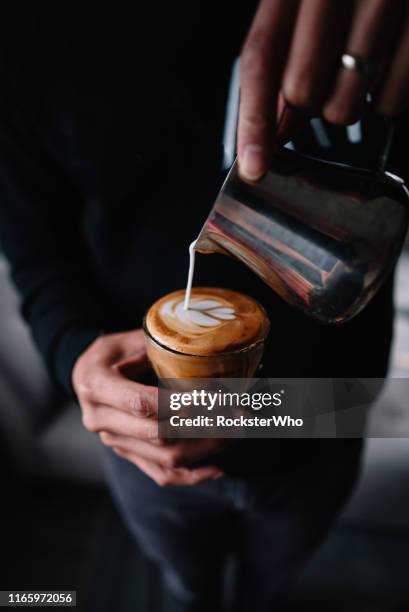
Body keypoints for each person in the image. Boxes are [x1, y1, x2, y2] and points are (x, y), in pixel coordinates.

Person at [0, 2, 407, 611]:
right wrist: (76, 354)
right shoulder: (25, 30)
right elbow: (34, 249)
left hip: (324, 408)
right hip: (149, 426)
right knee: (187, 586)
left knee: (273, 585)